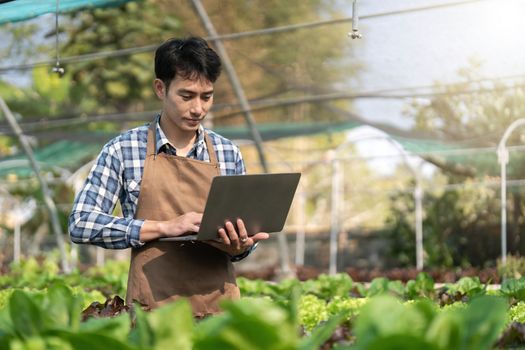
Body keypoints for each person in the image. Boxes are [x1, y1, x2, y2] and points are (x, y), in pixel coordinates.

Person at [68, 36, 269, 316]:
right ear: (160, 88)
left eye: (206, 96)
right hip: (153, 311)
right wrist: (164, 227)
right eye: (186, 96)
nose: (198, 108)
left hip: (219, 312)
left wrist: (240, 246)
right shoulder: (124, 149)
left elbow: (242, 240)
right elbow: (81, 223)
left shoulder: (227, 152)